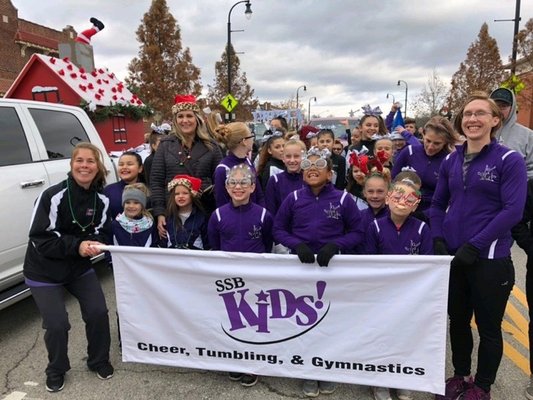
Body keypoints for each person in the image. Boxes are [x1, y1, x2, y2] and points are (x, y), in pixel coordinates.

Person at [430, 91, 527, 400]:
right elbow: (436, 204)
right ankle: (459, 375)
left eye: (480, 113)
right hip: (456, 257)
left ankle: (482, 386)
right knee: (457, 321)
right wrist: (438, 236)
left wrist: (476, 243)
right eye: (467, 114)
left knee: (488, 327)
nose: (472, 119)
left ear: (495, 120)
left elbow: (512, 210)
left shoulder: (508, 159)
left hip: (489, 258)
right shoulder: (450, 159)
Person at [23, 142, 114, 393]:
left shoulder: (102, 200)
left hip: (77, 268)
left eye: (90, 161)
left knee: (97, 312)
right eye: (79, 161)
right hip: (44, 269)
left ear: (98, 167)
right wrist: (78, 246)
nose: (84, 166)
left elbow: (103, 232)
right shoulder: (52, 195)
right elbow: (40, 238)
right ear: (72, 164)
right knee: (57, 324)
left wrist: (97, 243)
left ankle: (98, 360)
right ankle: (56, 369)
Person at [273, 147, 363, 397]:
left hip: (331, 268)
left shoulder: (344, 199)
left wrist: (336, 245)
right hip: (300, 268)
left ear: (329, 172)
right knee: (303, 319)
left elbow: (357, 232)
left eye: (318, 165)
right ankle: (308, 370)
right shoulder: (292, 199)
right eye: (307, 166)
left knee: (329, 319)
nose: (312, 169)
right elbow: (278, 229)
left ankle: (327, 368)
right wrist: (295, 244)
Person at [208, 164, 273, 387]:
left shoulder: (264, 215)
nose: (238, 187)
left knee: (253, 321)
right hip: (229, 278)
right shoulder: (217, 215)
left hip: (256, 279)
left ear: (253, 187)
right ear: (226, 187)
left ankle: (252, 363)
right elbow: (215, 247)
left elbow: (267, 244)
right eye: (233, 183)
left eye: (244, 182)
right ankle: (235, 360)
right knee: (232, 320)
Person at [366, 177, 431, 400]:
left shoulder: (423, 229)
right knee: (382, 335)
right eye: (397, 195)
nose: (402, 201)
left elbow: (428, 264)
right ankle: (381, 380)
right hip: (382, 294)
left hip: (411, 295)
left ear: (416, 205)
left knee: (406, 335)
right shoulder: (374, 227)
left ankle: (403, 378)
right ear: (387, 200)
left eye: (409, 198)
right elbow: (368, 261)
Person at [150, 94, 223, 239]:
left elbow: (220, 182)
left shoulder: (212, 147)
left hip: (204, 211)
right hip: (173, 213)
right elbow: (156, 181)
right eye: (180, 116)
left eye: (189, 116)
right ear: (175, 120)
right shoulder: (165, 146)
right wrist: (160, 213)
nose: (185, 121)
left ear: (197, 118)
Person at [392, 116, 459, 220]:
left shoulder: (450, 161)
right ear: (423, 134)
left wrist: (424, 216)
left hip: (430, 216)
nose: (430, 146)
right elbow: (392, 181)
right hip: (402, 209)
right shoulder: (409, 152)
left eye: (437, 143)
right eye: (428, 140)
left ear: (446, 142)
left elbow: (449, 197)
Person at [214, 122, 265, 207]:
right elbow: (222, 204)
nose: (253, 139)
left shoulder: (248, 161)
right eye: (251, 136)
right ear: (244, 141)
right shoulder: (222, 169)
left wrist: (262, 214)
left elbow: (258, 194)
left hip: (255, 215)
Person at [490, 87, 533, 179]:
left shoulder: (528, 136)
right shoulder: (480, 132)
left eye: (503, 106)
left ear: (512, 108)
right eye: (495, 105)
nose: (498, 110)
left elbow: (531, 169)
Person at [160, 174, 209, 249]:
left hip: (194, 259)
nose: (180, 196)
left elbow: (207, 244)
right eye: (177, 194)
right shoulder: (168, 218)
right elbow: (163, 244)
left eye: (185, 193)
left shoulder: (201, 217)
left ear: (192, 195)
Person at [265, 138, 306, 216]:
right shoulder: (275, 181)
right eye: (288, 156)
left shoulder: (308, 180)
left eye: (296, 156)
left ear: (303, 157)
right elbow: (271, 211)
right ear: (283, 158)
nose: (292, 160)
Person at [111, 183, 156, 247]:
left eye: (136, 203)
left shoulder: (149, 223)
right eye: (127, 202)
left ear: (142, 205)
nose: (131, 206)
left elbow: (154, 246)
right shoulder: (116, 224)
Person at [104, 151, 145, 219]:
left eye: (129, 164)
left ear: (140, 168)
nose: (124, 167)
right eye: (121, 164)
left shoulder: (148, 190)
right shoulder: (108, 191)